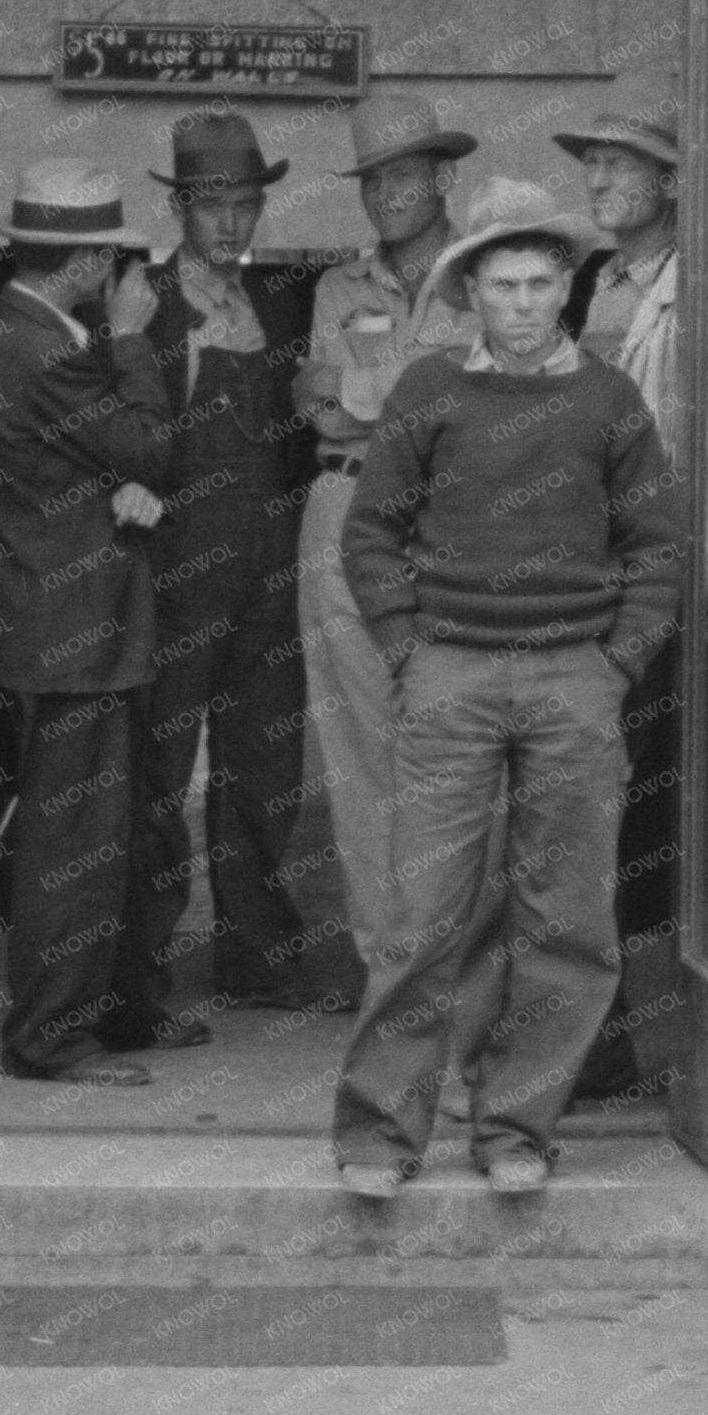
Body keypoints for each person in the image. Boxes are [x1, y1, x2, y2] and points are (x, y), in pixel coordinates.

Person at [332, 177, 683, 1200]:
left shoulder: (609, 400)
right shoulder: (429, 391)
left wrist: (617, 658)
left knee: (566, 918)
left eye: (539, 283)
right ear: (468, 290)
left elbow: (654, 544)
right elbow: (371, 533)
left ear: (565, 284)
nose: (523, 303)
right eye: (502, 285)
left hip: (575, 678)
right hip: (450, 672)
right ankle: (377, 1135)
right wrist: (406, 646)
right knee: (420, 915)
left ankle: (517, 1126)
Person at [0, 159, 191, 1085]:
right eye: (113, 256)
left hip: (85, 627)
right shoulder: (36, 345)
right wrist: (132, 343)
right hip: (71, 636)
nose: (123, 276)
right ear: (87, 260)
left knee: (109, 833)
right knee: (72, 845)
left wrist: (124, 481)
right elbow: (147, 444)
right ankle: (48, 1039)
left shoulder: (30, 334)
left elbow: (100, 463)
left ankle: (114, 1012)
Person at [129, 111, 358, 1019]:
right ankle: (138, 973)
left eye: (245, 204)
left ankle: (258, 960)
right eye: (211, 205)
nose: (229, 223)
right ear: (180, 207)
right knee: (155, 771)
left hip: (272, 558)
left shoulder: (281, 301)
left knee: (264, 772)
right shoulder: (141, 301)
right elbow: (111, 433)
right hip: (179, 568)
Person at [292, 93, 487, 969]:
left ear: (442, 177)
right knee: (358, 755)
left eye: (401, 176)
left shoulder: (489, 276)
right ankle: (391, 975)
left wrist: (370, 389)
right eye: (371, 180)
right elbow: (321, 411)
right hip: (343, 511)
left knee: (456, 744)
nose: (383, 195)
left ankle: (462, 972)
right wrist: (409, 388)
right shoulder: (341, 283)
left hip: (452, 521)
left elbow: (477, 414)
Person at [552, 72, 688, 1107]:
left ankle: (619, 1044)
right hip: (578, 575)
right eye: (589, 161)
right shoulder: (596, 279)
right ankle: (584, 1039)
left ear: (667, 179)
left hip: (647, 581)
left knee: (628, 815)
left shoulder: (695, 284)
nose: (595, 177)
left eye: (616, 161)